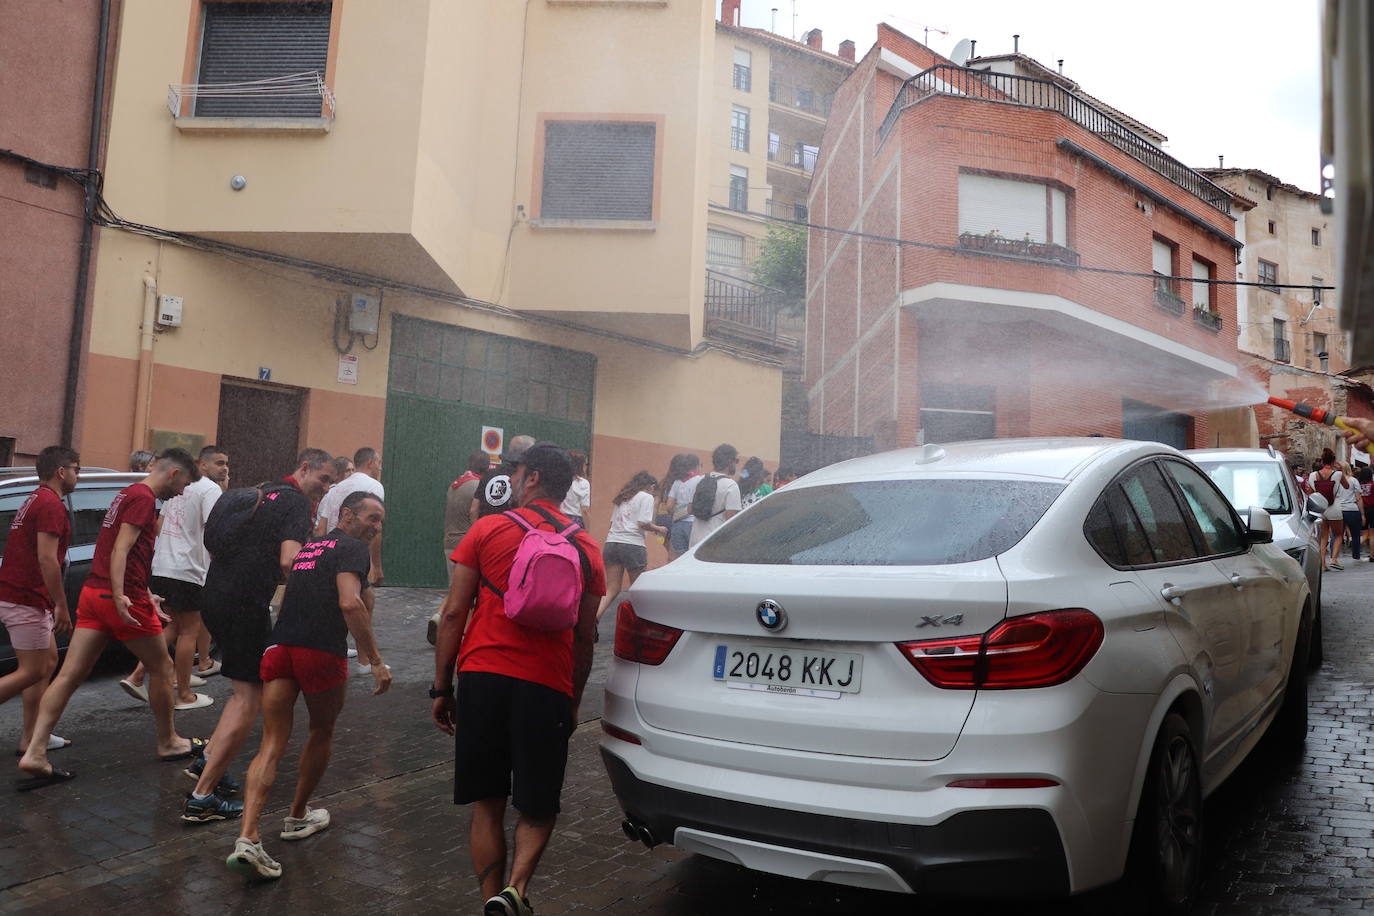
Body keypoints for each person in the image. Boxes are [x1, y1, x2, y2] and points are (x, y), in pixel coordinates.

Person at [432, 441, 605, 916]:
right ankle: (516, 889)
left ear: (530, 479)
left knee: (487, 801)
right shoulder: (587, 547)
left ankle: (490, 899)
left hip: (483, 674)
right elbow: (586, 638)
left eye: (519, 471)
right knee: (538, 804)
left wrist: (442, 687)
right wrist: (572, 701)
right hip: (547, 683)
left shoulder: (488, 529)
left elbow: (452, 614)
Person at [225, 491, 393, 880]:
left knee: (271, 743)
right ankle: (298, 816)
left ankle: (248, 837)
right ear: (347, 514)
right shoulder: (351, 548)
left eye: (381, 521)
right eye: (372, 517)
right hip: (319, 651)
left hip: (280, 648)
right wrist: (376, 661)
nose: (376, 526)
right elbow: (351, 604)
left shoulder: (309, 548)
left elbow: (285, 604)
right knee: (321, 730)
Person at [18, 449, 205, 789]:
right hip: (120, 600)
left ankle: (35, 750)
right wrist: (123, 595)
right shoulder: (144, 498)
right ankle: (169, 741)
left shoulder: (126, 494)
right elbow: (121, 547)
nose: (182, 492)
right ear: (174, 473)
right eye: (185, 484)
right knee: (162, 669)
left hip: (94, 594)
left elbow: (124, 552)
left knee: (69, 675)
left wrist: (144, 590)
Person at [185, 449, 334, 822]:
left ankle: (207, 762)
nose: (326, 487)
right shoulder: (297, 504)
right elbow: (290, 559)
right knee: (248, 699)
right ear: (304, 468)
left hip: (215, 595)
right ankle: (202, 798)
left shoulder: (264, 491)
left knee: (243, 691)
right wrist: (317, 586)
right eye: (324, 478)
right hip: (244, 603)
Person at [120, 445, 230, 711]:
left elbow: (160, 525)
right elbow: (214, 529)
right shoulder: (209, 489)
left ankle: (136, 676)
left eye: (226, 463)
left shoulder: (178, 484)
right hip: (188, 568)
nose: (224, 468)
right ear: (201, 464)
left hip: (163, 564)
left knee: (174, 627)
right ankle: (183, 693)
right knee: (189, 631)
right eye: (219, 463)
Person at [0, 447, 79, 757]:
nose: (77, 474)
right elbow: (48, 559)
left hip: (23, 596)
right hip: (25, 598)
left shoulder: (36, 498)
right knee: (31, 670)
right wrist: (61, 604)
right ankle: (32, 737)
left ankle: (32, 737)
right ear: (61, 472)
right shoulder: (49, 505)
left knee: (46, 663)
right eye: (75, 468)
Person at [594, 472, 665, 623]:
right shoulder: (646, 497)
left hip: (612, 543)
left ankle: (593, 620)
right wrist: (659, 529)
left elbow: (612, 523)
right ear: (652, 487)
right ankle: (637, 624)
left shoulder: (623, 497)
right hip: (633, 544)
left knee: (611, 588)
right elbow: (643, 523)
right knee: (637, 588)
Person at [315, 447, 384, 586]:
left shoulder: (335, 489)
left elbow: (321, 530)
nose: (380, 468)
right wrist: (375, 566)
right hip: (354, 557)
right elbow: (374, 528)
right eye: (379, 463)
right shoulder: (374, 486)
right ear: (370, 462)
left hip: (330, 555)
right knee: (354, 600)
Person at [688, 444, 742, 548]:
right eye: (736, 461)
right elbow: (731, 518)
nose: (736, 464)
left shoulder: (699, 480)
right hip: (715, 541)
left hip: (695, 539)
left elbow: (690, 509)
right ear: (730, 462)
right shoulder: (731, 485)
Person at [445, 451, 490, 572]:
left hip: (449, 544)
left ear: (469, 464)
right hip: (466, 546)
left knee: (454, 589)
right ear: (487, 466)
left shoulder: (455, 484)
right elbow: (474, 512)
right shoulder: (479, 486)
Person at [476, 435, 535, 519]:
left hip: (486, 528)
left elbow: (474, 509)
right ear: (527, 452)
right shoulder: (526, 479)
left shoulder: (488, 474)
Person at [1310, 449, 1351, 571]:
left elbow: (1311, 492)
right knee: (1338, 534)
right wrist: (1340, 470)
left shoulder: (1313, 475)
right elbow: (1347, 486)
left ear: (1322, 461)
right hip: (1334, 507)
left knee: (1323, 537)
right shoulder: (1337, 474)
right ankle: (1334, 559)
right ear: (1333, 461)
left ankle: (1322, 564)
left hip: (1321, 509)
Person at [663, 454, 701, 562]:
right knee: (693, 557)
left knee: (677, 559)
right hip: (693, 523)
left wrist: (678, 513)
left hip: (678, 525)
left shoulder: (677, 482)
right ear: (697, 466)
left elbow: (669, 506)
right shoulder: (700, 480)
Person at [1337, 460, 1365, 561]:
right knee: (1356, 534)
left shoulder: (1335, 481)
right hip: (1352, 509)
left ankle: (1334, 556)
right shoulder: (1353, 480)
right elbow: (1358, 498)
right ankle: (1356, 556)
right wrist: (1362, 514)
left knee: (1337, 535)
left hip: (1339, 509)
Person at [559, 451, 591, 528]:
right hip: (574, 521)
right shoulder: (583, 483)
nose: (586, 467)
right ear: (581, 466)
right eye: (585, 464)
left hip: (559, 518)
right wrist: (588, 527)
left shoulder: (560, 479)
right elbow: (585, 510)